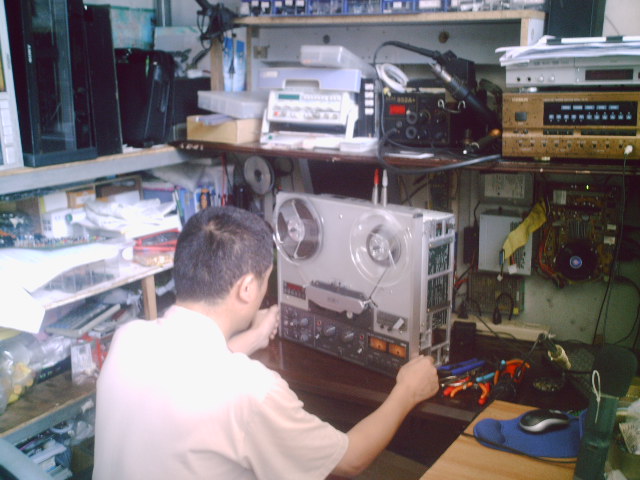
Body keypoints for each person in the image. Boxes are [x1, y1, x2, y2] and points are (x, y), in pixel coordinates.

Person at [92, 205, 439, 480]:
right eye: (265, 282)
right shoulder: (253, 392)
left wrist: (254, 337)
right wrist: (407, 391)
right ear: (246, 288)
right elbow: (351, 459)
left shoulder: (128, 339)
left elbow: (190, 370)